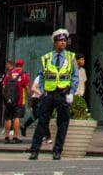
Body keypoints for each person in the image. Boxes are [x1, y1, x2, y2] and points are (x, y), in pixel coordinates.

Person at [28, 28, 77, 161]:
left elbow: (75, 77)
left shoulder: (71, 57)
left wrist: (71, 92)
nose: (63, 43)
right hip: (49, 95)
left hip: (63, 94)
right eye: (60, 41)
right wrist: (43, 92)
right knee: (42, 122)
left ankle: (57, 151)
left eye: (65, 40)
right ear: (54, 43)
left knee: (63, 123)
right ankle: (34, 150)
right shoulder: (46, 58)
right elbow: (41, 76)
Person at [0, 58, 30, 143]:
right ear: (22, 65)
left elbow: (3, 87)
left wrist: (5, 98)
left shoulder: (9, 73)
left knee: (8, 118)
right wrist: (30, 99)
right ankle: (15, 137)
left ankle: (6, 137)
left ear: (15, 65)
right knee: (17, 117)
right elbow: (27, 88)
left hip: (9, 100)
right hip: (19, 100)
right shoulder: (24, 74)